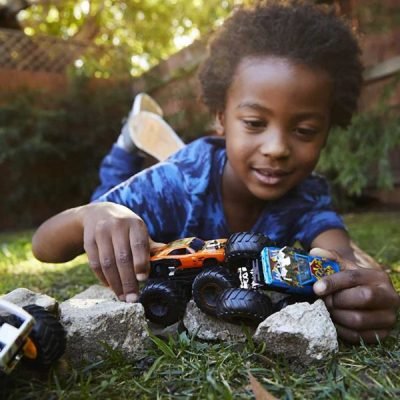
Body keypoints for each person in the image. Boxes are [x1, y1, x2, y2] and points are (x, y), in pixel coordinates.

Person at [32, 1, 399, 344]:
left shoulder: (307, 193)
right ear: (221, 117)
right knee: (108, 197)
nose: (277, 148)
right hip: (176, 180)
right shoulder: (173, 184)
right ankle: (129, 139)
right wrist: (92, 214)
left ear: (328, 130)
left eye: (304, 130)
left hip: (214, 168)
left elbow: (338, 252)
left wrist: (351, 282)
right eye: (254, 123)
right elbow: (44, 245)